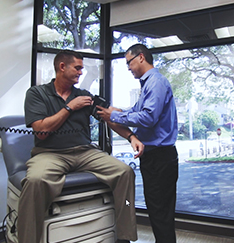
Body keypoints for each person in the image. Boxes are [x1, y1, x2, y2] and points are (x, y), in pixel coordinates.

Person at [20, 50, 142, 243]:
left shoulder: (84, 95)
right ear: (62, 67)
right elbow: (41, 131)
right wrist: (69, 108)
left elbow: (108, 118)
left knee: (124, 172)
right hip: (50, 153)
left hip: (85, 152)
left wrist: (131, 136)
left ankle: (124, 237)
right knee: (35, 180)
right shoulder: (37, 94)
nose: (80, 73)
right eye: (77, 68)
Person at [97, 43, 179, 243]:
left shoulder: (156, 82)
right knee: (157, 210)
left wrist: (115, 115)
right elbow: (136, 111)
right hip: (153, 156)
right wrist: (115, 112)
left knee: (161, 213)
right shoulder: (148, 85)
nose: (128, 68)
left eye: (129, 62)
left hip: (161, 157)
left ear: (141, 57)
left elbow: (148, 117)